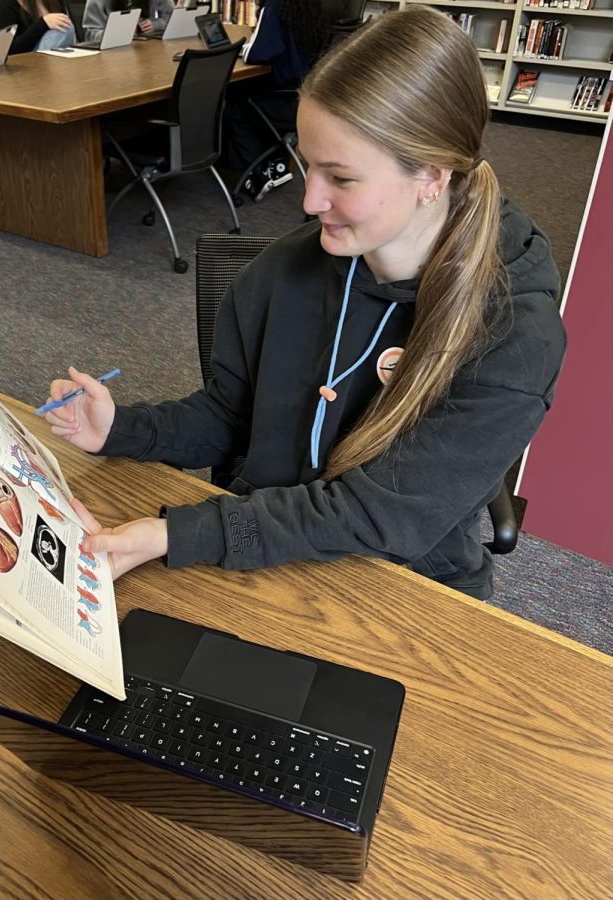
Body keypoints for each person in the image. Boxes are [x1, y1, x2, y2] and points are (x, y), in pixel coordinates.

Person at [44, 6, 566, 601]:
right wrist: (123, 428)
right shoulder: (284, 271)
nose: (308, 199)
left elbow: (380, 517)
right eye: (307, 163)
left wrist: (177, 534)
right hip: (254, 540)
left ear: (431, 175)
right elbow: (228, 418)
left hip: (395, 582)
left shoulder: (511, 331)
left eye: (340, 178)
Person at [224, 0, 331, 200]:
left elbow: (260, 52)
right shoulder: (309, 7)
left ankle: (256, 176)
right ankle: (275, 165)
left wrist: (242, 49)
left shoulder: (274, 7)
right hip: (309, 97)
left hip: (289, 101)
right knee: (250, 95)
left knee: (236, 108)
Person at [0, 0, 75, 53]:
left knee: (65, 29)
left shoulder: (55, 2)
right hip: (27, 63)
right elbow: (10, 50)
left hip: (60, 60)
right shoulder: (7, 5)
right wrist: (43, 23)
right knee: (60, 32)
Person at [82, 0, 174, 42]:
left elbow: (172, 18)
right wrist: (116, 34)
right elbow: (90, 35)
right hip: (113, 54)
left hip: (146, 47)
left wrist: (156, 24)